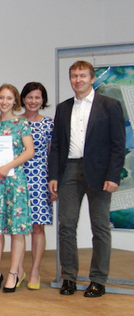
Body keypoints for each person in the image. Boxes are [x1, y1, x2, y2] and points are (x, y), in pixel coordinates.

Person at [49, 60, 125, 298]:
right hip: (69, 170)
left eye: (82, 76)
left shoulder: (110, 105)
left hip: (101, 174)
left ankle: (98, 280)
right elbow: (57, 146)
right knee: (66, 225)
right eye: (73, 76)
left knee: (100, 227)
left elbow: (118, 145)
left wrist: (114, 176)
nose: (77, 80)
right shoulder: (63, 108)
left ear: (93, 79)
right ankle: (69, 277)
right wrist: (53, 176)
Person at [0, 84, 34, 293]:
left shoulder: (22, 124)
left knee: (16, 230)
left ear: (15, 101)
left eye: (9, 98)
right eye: (1, 98)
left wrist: (8, 166)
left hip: (14, 182)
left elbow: (29, 151)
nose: (4, 102)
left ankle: (14, 273)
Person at [18, 82, 54, 290]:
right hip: (17, 178)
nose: (33, 101)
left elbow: (53, 154)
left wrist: (53, 181)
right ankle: (18, 269)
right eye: (29, 97)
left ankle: (35, 271)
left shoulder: (49, 124)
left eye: (37, 98)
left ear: (43, 100)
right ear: (23, 99)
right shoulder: (15, 122)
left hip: (40, 178)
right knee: (18, 227)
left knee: (37, 227)